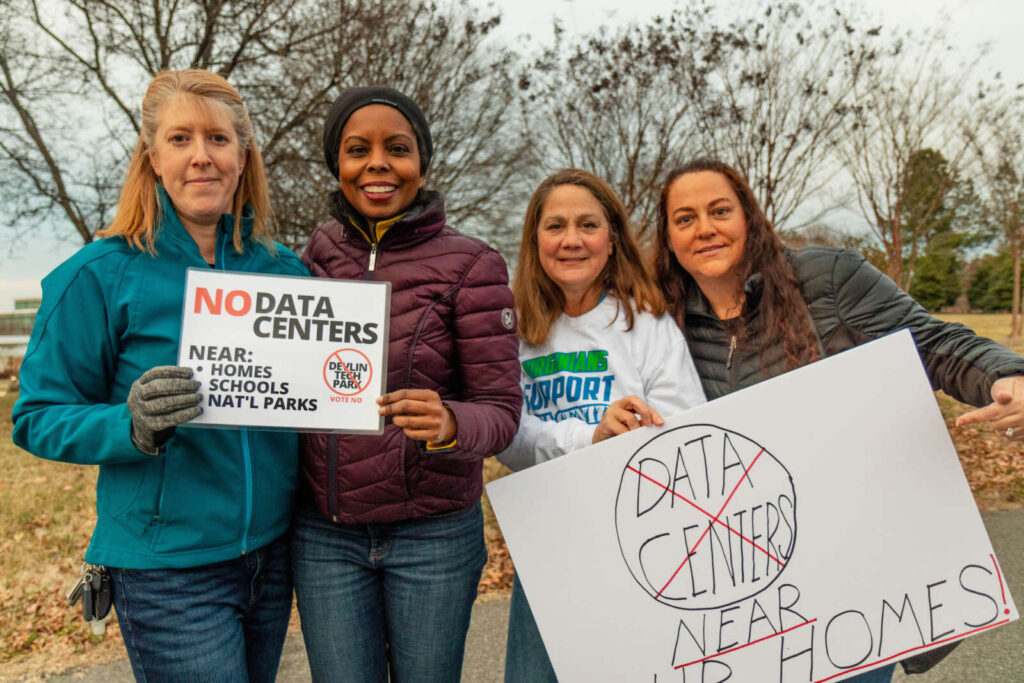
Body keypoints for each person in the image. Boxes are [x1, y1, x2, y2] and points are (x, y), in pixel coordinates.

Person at [652, 157, 1024, 682]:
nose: (705, 228)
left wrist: (1005, 374)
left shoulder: (827, 279)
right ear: (668, 237)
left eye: (719, 211)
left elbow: (935, 344)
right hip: (748, 601)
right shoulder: (656, 321)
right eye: (684, 218)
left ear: (749, 218)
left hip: (852, 590)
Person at [11, 70, 308, 681]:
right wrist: (130, 425)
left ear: (242, 155)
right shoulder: (98, 272)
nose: (201, 157)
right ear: (152, 157)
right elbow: (36, 415)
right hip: (167, 568)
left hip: (272, 557)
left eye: (219, 140)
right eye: (180, 139)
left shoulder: (285, 272)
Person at [293, 85, 521, 682]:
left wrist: (450, 423)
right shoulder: (311, 259)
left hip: (434, 535)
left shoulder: (473, 265)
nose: (377, 163)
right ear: (335, 165)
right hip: (327, 536)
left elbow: (500, 412)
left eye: (397, 148)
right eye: (356, 149)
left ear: (421, 162)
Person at [498, 169, 707, 682]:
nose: (572, 240)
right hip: (548, 543)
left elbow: (687, 429)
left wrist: (632, 438)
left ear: (611, 240)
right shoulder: (514, 327)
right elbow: (507, 436)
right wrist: (588, 438)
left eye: (588, 225)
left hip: (640, 543)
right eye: (556, 227)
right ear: (535, 241)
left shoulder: (646, 321)